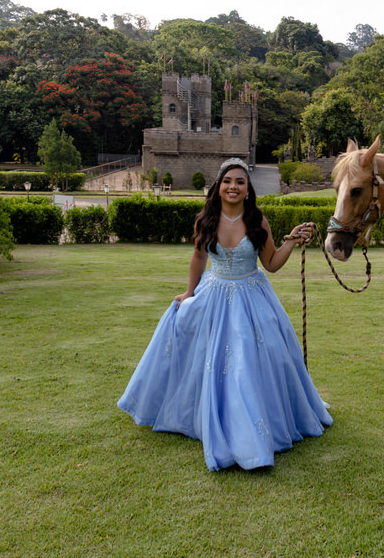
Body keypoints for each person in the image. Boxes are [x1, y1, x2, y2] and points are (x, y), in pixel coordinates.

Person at [117, 158, 332, 471]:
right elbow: (198, 258)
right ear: (218, 187)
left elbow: (271, 263)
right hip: (213, 294)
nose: (234, 186)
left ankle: (252, 428)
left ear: (248, 189)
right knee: (200, 345)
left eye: (240, 182)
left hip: (252, 297)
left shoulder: (258, 221)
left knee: (249, 359)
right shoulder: (206, 220)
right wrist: (189, 292)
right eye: (228, 181)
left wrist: (291, 241)